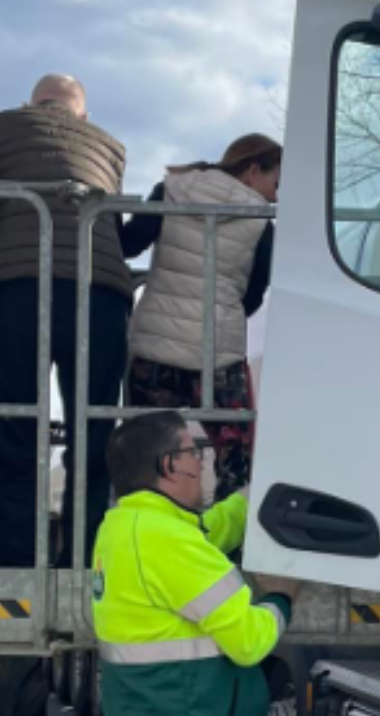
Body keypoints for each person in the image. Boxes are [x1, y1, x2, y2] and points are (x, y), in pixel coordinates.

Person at [0, 74, 133, 567]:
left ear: (31, 105)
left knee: (17, 429)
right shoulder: (110, 146)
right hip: (97, 291)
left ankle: (18, 562)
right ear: (82, 116)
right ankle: (83, 559)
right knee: (94, 431)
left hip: (16, 288)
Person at [93, 411, 295, 716]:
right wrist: (281, 597)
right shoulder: (165, 538)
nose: (202, 464)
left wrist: (255, 495)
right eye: (194, 453)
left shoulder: (124, 526)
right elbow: (249, 641)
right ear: (170, 465)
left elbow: (206, 532)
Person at [120, 134, 282, 502]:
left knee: (146, 453)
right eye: (276, 183)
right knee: (236, 456)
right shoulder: (260, 218)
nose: (275, 196)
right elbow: (254, 293)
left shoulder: (171, 189)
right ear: (253, 170)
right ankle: (225, 545)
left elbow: (129, 244)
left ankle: (147, 535)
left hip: (154, 347)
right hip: (217, 355)